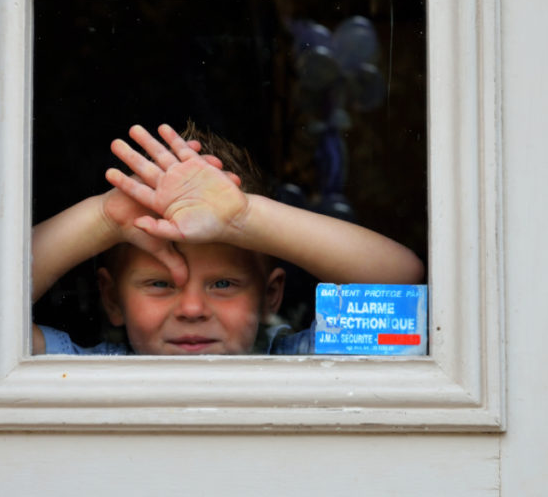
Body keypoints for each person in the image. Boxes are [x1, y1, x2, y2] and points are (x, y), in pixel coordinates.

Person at [31, 123, 424, 355]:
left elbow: (401, 287)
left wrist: (245, 218)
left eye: (223, 284)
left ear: (271, 296)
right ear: (113, 299)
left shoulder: (298, 365)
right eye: (159, 284)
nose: (192, 309)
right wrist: (104, 219)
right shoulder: (88, 374)